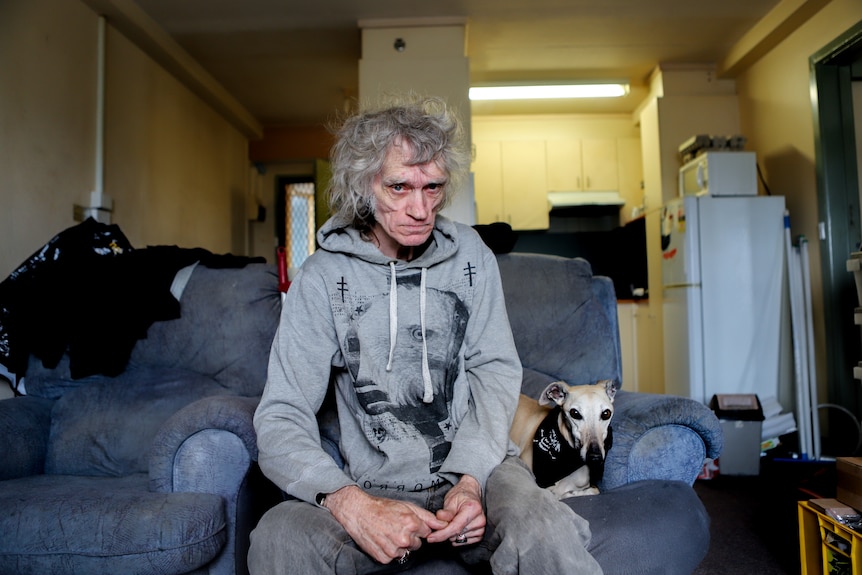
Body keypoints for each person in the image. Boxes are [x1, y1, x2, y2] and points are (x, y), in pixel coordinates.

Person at [248, 95, 602, 575]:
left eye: (432, 187)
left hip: (484, 476)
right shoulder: (322, 278)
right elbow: (281, 414)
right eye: (399, 187)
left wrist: (470, 481)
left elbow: (496, 370)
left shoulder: (472, 254)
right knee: (280, 536)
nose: (420, 208)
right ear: (363, 185)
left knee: (543, 526)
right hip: (371, 486)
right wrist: (353, 505)